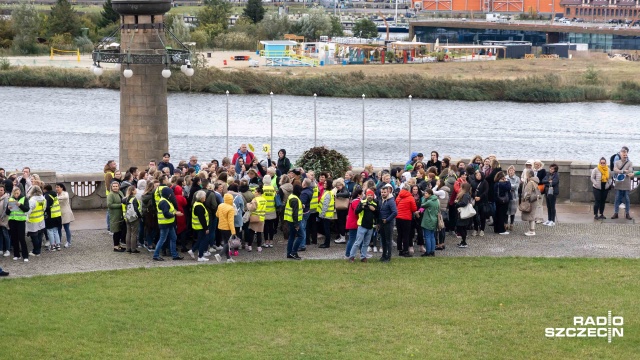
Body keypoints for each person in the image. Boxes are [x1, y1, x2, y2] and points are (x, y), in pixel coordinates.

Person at [153, 187, 184, 261]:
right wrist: (175, 214)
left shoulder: (165, 200)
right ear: (168, 194)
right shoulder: (164, 202)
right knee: (162, 239)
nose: (171, 194)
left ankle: (174, 255)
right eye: (171, 193)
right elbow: (166, 214)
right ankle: (156, 255)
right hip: (165, 223)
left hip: (168, 223)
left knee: (173, 238)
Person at [348, 189, 379, 262]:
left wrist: (374, 210)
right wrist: (362, 207)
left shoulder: (375, 203)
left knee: (366, 243)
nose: (370, 196)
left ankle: (363, 257)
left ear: (373, 196)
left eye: (371, 195)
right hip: (362, 226)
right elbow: (356, 212)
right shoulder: (362, 202)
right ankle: (351, 256)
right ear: (366, 195)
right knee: (357, 242)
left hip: (370, 226)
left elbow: (377, 214)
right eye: (368, 195)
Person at [188, 190, 217, 262]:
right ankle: (200, 256)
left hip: (198, 226)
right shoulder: (199, 206)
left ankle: (193, 250)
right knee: (203, 240)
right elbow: (202, 219)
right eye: (204, 197)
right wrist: (206, 228)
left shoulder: (197, 204)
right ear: (202, 198)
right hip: (201, 226)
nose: (205, 198)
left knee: (201, 239)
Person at [6, 187, 30, 261]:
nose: (16, 195)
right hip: (12, 220)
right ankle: (16, 255)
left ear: (20, 193)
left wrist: (20, 205)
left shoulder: (24, 198)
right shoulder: (10, 199)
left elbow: (27, 209)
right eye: (15, 193)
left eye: (17, 193)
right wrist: (9, 209)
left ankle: (25, 256)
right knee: (14, 238)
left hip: (20, 221)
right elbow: (7, 212)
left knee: (21, 238)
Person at [396, 184, 417, 257]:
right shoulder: (410, 197)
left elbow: (396, 205)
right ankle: (405, 251)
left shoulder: (398, 196)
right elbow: (414, 209)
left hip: (398, 217)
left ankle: (400, 250)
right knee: (406, 235)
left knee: (400, 234)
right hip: (406, 218)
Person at [612, 148, 634, 220]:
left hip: (626, 184)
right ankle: (616, 213)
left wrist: (621, 171)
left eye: (626, 155)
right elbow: (615, 170)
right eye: (624, 155)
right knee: (617, 199)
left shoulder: (630, 162)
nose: (625, 156)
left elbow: (630, 170)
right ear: (620, 155)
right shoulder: (617, 162)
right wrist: (623, 171)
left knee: (627, 199)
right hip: (618, 183)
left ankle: (627, 213)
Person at [378, 184, 397, 262]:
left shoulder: (391, 201)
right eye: (382, 192)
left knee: (388, 240)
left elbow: (395, 212)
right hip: (382, 223)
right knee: (383, 240)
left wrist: (387, 219)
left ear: (388, 192)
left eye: (384, 192)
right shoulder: (381, 200)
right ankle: (383, 255)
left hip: (388, 223)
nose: (383, 193)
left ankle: (388, 257)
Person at [216, 193, 237, 263]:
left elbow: (217, 214)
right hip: (227, 228)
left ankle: (228, 258)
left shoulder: (220, 205)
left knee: (225, 242)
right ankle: (220, 254)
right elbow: (231, 221)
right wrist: (233, 231)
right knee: (228, 243)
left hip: (221, 226)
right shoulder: (231, 208)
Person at [284, 185, 303, 260]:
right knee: (301, 236)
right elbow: (295, 213)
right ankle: (294, 252)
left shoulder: (291, 196)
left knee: (291, 237)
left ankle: (289, 253)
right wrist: (297, 224)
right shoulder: (295, 199)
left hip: (290, 220)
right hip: (294, 221)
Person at [107, 181, 127, 252]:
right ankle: (115, 246)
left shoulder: (120, 193)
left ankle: (119, 245)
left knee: (120, 230)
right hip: (115, 215)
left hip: (121, 214)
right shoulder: (111, 195)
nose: (115, 187)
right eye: (114, 186)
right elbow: (109, 205)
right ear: (111, 187)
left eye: (116, 186)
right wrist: (120, 205)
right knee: (116, 231)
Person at [246, 186, 266, 252]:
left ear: (259, 192)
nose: (254, 193)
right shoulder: (264, 199)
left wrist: (248, 204)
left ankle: (250, 246)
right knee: (259, 233)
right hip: (262, 218)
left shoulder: (255, 200)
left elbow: (252, 208)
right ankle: (259, 247)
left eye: (255, 192)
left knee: (251, 232)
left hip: (254, 217)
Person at [123, 186, 142, 253]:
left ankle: (128, 248)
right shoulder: (134, 199)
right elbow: (136, 209)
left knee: (128, 232)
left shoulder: (125, 199)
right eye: (135, 190)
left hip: (127, 217)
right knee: (134, 233)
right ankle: (133, 248)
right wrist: (140, 216)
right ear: (133, 191)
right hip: (134, 217)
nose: (136, 191)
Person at [421, 188, 440, 257]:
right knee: (432, 236)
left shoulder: (429, 201)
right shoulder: (436, 201)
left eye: (426, 193)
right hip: (434, 220)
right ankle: (432, 251)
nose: (424, 194)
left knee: (427, 237)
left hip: (428, 220)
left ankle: (428, 252)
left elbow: (422, 205)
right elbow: (423, 208)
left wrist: (424, 198)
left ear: (430, 194)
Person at [43, 184, 62, 251]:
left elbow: (47, 206)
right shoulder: (55, 194)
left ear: (45, 189)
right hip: (57, 215)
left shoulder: (46, 195)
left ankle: (52, 246)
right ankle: (58, 245)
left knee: (50, 230)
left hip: (50, 215)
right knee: (55, 231)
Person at [521, 169, 540, 236]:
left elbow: (527, 193)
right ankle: (531, 230)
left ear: (528, 175)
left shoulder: (530, 183)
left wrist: (524, 199)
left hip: (531, 201)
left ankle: (532, 231)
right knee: (532, 215)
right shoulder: (535, 182)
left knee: (531, 216)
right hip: (534, 200)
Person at [318, 178, 336, 249]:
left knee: (327, 230)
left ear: (328, 185)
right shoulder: (328, 192)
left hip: (326, 215)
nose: (324, 184)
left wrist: (322, 214)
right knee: (326, 229)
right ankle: (326, 243)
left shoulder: (328, 193)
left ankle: (327, 243)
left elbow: (325, 205)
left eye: (325, 183)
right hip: (327, 214)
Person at [470, 171, 488, 237]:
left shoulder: (485, 182)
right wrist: (474, 197)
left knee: (482, 216)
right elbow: (471, 191)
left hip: (482, 201)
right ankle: (475, 229)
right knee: (475, 216)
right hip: (475, 201)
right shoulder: (473, 182)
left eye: (479, 175)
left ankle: (482, 230)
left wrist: (480, 197)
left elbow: (486, 191)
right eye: (477, 175)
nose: (478, 176)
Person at [454, 183, 473, 248]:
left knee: (461, 228)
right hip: (463, 213)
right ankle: (463, 241)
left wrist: (457, 203)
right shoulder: (467, 194)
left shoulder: (465, 195)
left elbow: (464, 203)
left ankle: (464, 242)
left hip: (463, 214)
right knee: (462, 228)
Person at [55, 183, 74, 248]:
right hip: (58, 213)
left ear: (62, 188)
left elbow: (65, 197)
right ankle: (58, 241)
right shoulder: (56, 194)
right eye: (56, 187)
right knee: (58, 228)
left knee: (66, 228)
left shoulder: (65, 193)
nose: (56, 189)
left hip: (66, 213)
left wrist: (56, 198)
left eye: (58, 187)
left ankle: (68, 242)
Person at [262, 175, 277, 248]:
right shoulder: (273, 188)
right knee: (271, 226)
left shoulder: (262, 188)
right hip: (272, 209)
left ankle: (266, 241)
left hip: (264, 209)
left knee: (265, 226)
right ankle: (271, 241)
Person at [333, 178, 350, 244]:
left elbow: (347, 194)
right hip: (341, 209)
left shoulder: (344, 189)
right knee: (341, 223)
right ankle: (342, 236)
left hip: (342, 209)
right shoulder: (343, 188)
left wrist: (337, 195)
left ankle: (342, 237)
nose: (338, 188)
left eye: (339, 186)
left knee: (341, 223)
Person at [506, 166, 521, 231]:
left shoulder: (517, 178)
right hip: (506, 196)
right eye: (510, 170)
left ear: (514, 171)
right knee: (506, 211)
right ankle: (506, 223)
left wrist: (508, 185)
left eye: (512, 170)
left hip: (514, 196)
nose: (511, 172)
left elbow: (515, 187)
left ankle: (511, 224)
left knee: (513, 211)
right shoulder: (506, 177)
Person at [103, 160, 116, 232]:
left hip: (110, 194)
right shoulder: (109, 174)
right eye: (114, 164)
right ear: (110, 165)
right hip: (110, 194)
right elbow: (108, 186)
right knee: (109, 211)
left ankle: (110, 226)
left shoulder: (112, 172)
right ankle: (109, 227)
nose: (116, 165)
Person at [0, 185, 10, 257]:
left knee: (5, 234)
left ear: (4, 191)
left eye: (1, 190)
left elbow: (5, 209)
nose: (0, 192)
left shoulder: (6, 198)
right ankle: (0, 249)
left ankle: (7, 249)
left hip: (4, 219)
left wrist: (1, 217)